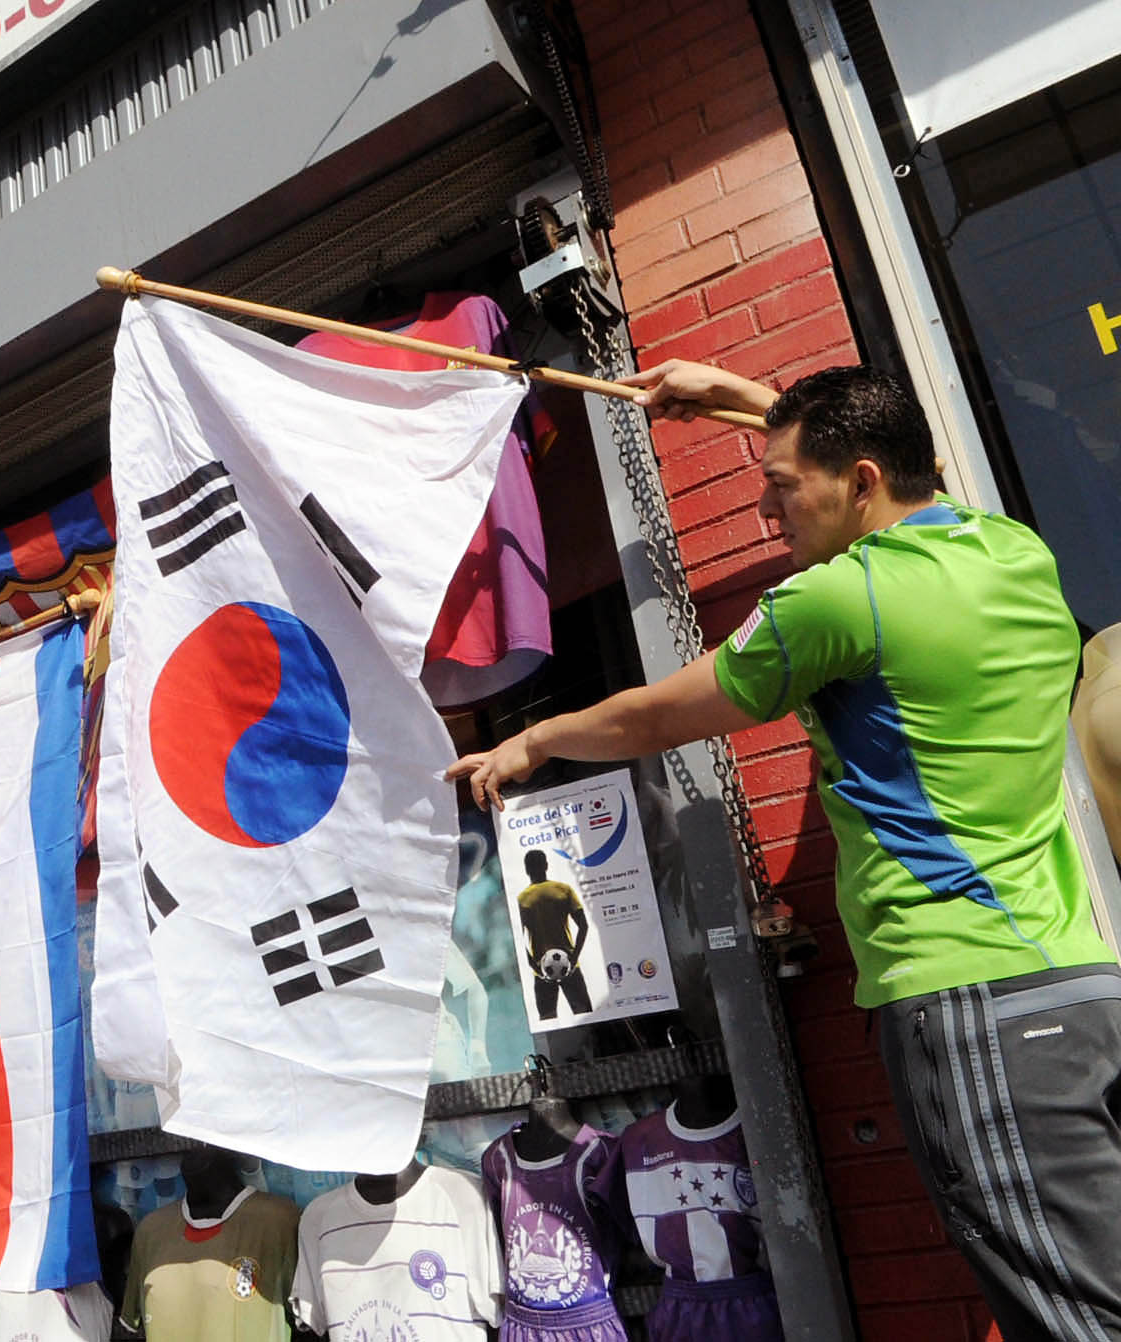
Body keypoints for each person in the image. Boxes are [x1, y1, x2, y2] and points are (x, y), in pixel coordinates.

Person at [449, 359, 1121, 1342]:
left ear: (858, 481)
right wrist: (729, 394)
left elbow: (652, 717)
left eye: (780, 485)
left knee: (1075, 1318)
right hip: (1077, 982)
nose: (770, 512)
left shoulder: (843, 599)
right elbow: (877, 447)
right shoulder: (1009, 547)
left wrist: (535, 738)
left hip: (972, 1001)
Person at [515, 847, 593, 1020]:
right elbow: (584, 926)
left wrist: (535, 967)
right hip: (570, 967)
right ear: (546, 865)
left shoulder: (521, 900)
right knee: (586, 1018)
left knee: (548, 1022)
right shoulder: (563, 890)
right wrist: (573, 959)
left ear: (526, 870)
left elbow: (517, 941)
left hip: (541, 971)